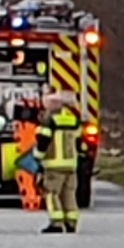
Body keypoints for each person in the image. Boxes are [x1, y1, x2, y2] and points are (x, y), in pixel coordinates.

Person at [41, 94, 85, 231]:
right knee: (69, 194)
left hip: (54, 164)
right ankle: (71, 222)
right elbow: (80, 140)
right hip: (71, 164)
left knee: (52, 193)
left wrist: (37, 158)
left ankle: (56, 223)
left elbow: (43, 141)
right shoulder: (72, 121)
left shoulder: (49, 122)